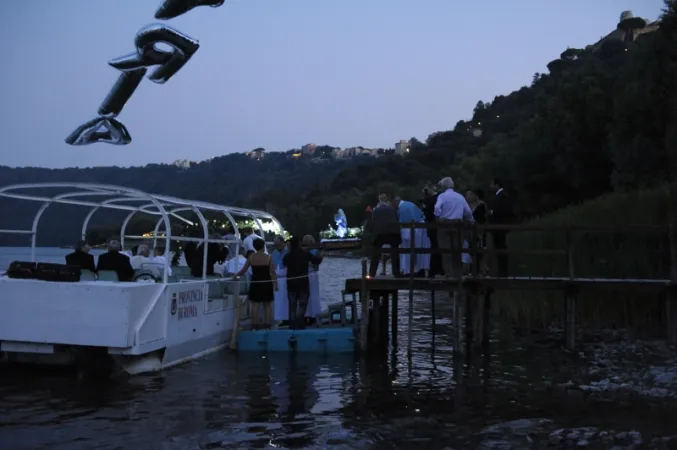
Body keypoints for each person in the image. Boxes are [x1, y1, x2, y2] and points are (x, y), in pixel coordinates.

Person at [434, 177, 474, 279]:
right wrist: (471, 221)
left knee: (445, 249)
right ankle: (457, 272)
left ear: (444, 186)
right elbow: (468, 211)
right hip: (457, 224)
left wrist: (438, 217)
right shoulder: (460, 197)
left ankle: (449, 272)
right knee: (457, 249)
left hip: (445, 224)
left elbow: (437, 207)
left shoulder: (442, 196)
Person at [234, 238, 277, 329]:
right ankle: (267, 325)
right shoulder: (268, 257)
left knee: (255, 304)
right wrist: (275, 284)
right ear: (263, 246)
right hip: (266, 282)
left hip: (255, 282)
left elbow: (243, 270)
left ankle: (254, 325)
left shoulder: (251, 257)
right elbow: (272, 272)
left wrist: (235, 276)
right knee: (267, 304)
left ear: (254, 247)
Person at [282, 236, 323, 329]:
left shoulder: (288, 255)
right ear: (299, 243)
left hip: (291, 283)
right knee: (302, 304)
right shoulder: (305, 253)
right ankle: (299, 322)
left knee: (292, 306)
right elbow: (317, 261)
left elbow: (284, 263)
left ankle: (292, 325)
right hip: (303, 282)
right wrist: (321, 253)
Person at [392, 195, 430, 277]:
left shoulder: (401, 208)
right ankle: (419, 269)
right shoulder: (409, 204)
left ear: (396, 201)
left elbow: (402, 223)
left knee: (408, 251)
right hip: (421, 227)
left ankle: (409, 270)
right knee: (419, 250)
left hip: (412, 230)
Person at [369, 193, 402, 277]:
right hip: (393, 232)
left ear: (379, 200)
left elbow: (373, 221)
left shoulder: (376, 209)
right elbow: (397, 219)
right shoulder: (392, 209)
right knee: (394, 253)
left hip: (380, 233)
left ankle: (372, 273)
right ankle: (396, 273)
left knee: (376, 253)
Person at [489, 177, 515, 277]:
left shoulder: (503, 196)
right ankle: (501, 270)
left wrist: (492, 212)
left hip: (499, 226)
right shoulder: (499, 196)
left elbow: (504, 210)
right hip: (497, 226)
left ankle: (503, 271)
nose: (490, 186)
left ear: (497, 185)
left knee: (501, 248)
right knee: (498, 248)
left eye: (492, 184)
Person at [421, 183, 444, 278]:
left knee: (435, 248)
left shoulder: (431, 200)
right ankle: (439, 269)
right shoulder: (437, 198)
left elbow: (427, 213)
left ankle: (435, 270)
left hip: (433, 226)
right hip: (435, 226)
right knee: (437, 247)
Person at [466, 188, 488, 274]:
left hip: (480, 230)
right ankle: (472, 270)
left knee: (480, 250)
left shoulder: (481, 205)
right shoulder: (467, 205)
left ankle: (482, 269)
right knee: (471, 250)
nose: (467, 197)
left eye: (469, 194)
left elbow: (482, 219)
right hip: (470, 231)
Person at [302, 234, 323, 323]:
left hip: (304, 274)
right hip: (313, 274)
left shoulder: (302, 251)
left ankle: (306, 314)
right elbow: (317, 263)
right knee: (314, 295)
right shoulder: (316, 252)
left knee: (306, 295)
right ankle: (314, 314)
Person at [271, 236, 290, 323]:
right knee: (278, 302)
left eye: (278, 245)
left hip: (287, 278)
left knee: (287, 300)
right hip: (277, 279)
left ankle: (288, 318)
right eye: (275, 245)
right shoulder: (273, 253)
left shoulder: (288, 252)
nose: (277, 247)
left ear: (283, 243)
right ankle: (281, 319)